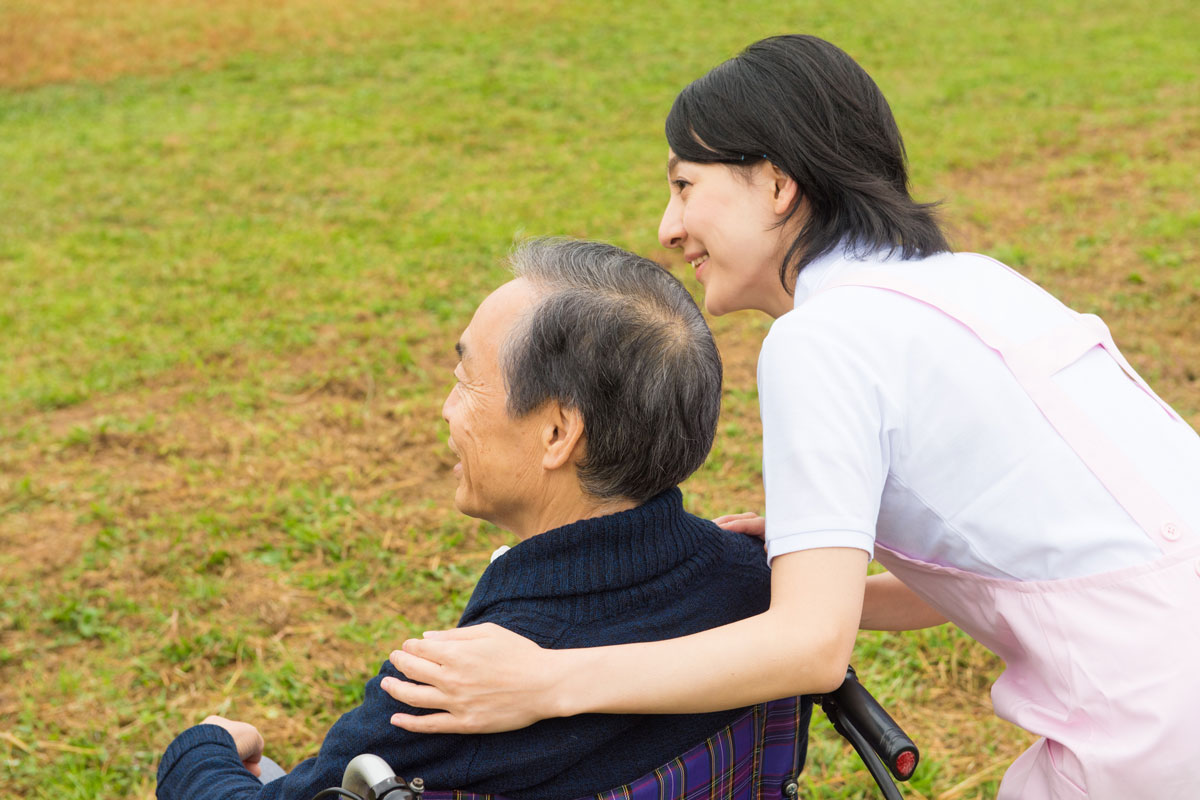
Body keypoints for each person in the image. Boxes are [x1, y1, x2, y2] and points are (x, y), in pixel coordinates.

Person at [382, 35, 1200, 799]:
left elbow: (810, 651)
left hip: (1151, 716)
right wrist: (822, 580)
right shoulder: (972, 282)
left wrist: (547, 683)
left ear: (776, 185)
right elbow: (1039, 553)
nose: (669, 228)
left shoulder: (821, 339)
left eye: (684, 185)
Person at [155, 238, 796, 800]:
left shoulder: (448, 698)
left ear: (556, 432)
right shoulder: (760, 596)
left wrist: (199, 749)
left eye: (466, 380)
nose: (445, 409)